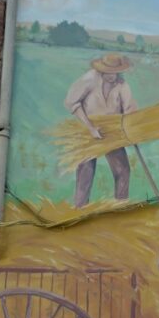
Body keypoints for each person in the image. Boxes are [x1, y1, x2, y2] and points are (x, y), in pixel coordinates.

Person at [64, 53, 137, 208]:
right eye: (109, 73)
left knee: (123, 170)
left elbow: (130, 109)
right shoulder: (89, 79)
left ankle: (120, 207)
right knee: (86, 171)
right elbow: (72, 103)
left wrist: (131, 131)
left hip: (112, 133)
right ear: (102, 70)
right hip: (88, 130)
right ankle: (80, 209)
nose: (112, 77)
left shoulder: (122, 85)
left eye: (115, 73)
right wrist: (90, 128)